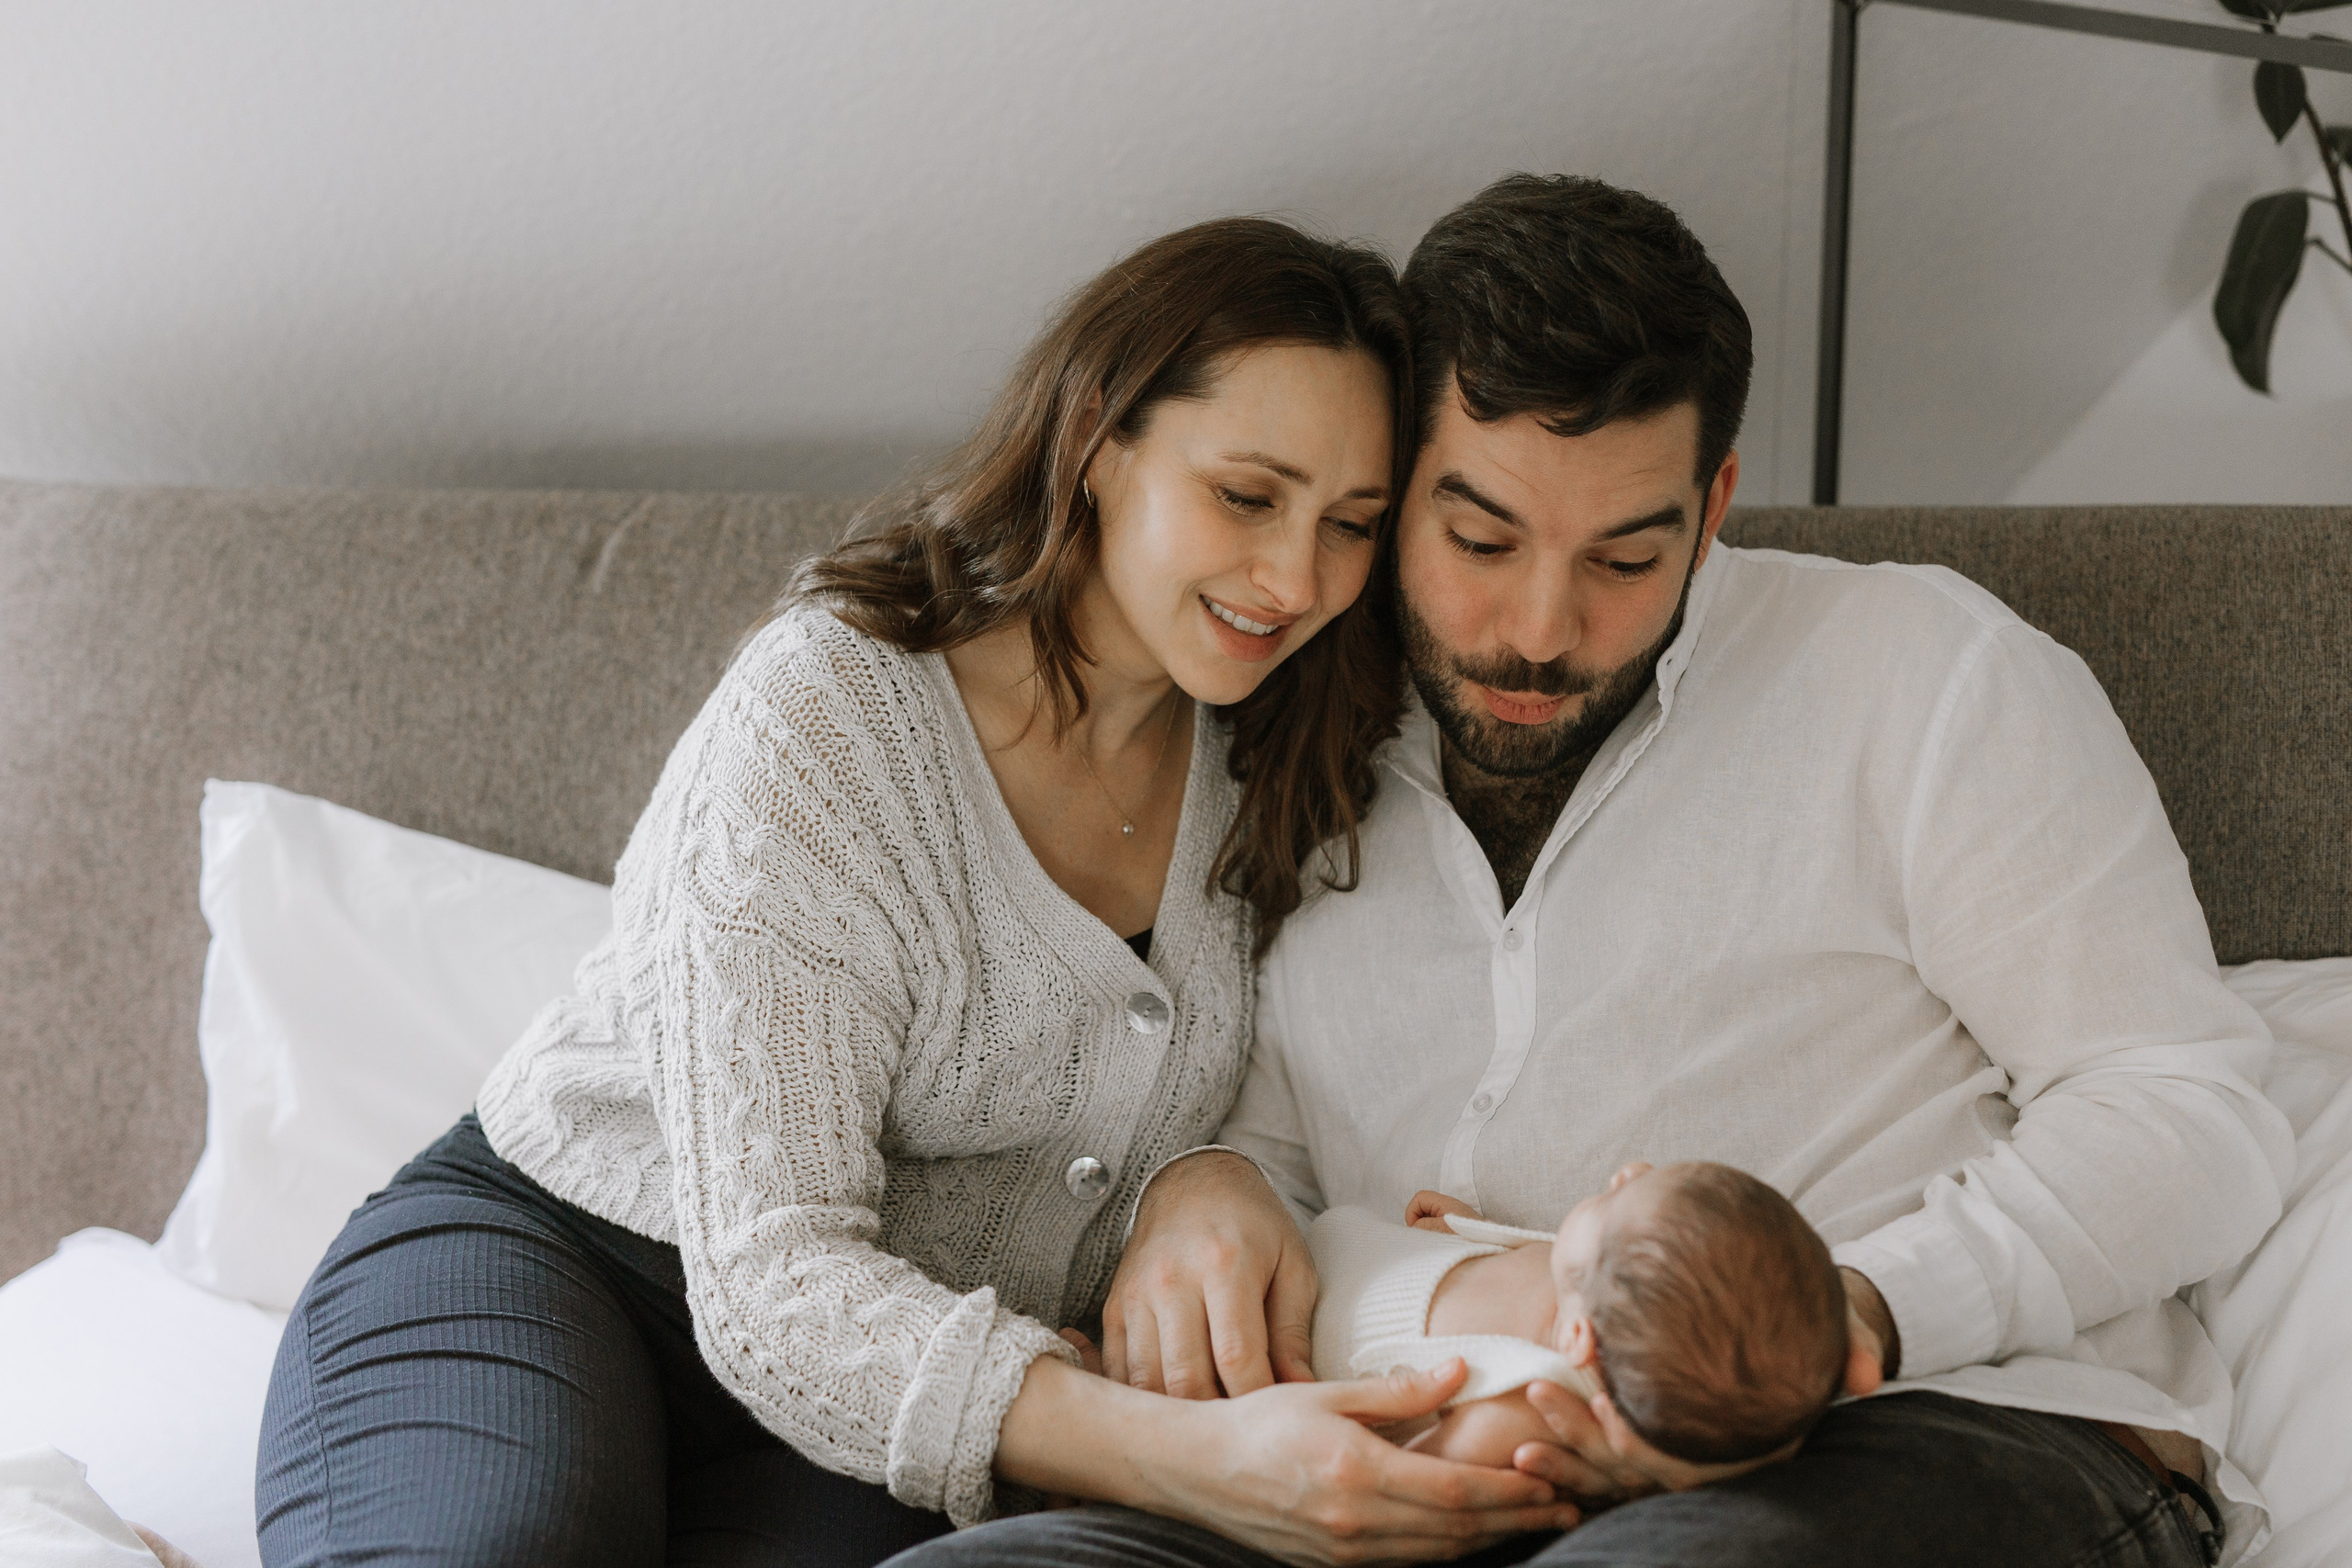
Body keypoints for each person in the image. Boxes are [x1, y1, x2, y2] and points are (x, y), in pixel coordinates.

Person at [888, 175, 2290, 1568]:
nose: (1541, 630)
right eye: (1479, 538)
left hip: (1920, 1425)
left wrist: (1847, 1317)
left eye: (1629, 553)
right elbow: (1261, 1133)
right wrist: (1205, 1181)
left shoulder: (1923, 676)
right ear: (1388, 489)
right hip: (1408, 1445)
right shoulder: (1277, 716)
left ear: (1716, 498)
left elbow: (2189, 1107)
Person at [254, 217, 1585, 1568]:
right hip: (564, 1264)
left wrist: (1209, 1172)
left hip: (888, 1403)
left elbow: (1292, 1088)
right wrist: (1198, 1462)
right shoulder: (828, 717)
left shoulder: (1289, 746)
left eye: (1349, 524)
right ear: (1098, 444)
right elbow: (774, 1279)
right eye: (1248, 496)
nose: (1296, 577)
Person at [1302, 1163, 1848, 1472]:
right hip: (1325, 1247)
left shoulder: (1522, 1408)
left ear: (1577, 1337)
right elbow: (1527, 1265)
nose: (1627, 1172)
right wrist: (1467, 1236)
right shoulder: (1587, 1285)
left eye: (1619, 1200)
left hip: (1286, 1339)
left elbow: (1394, 1481)